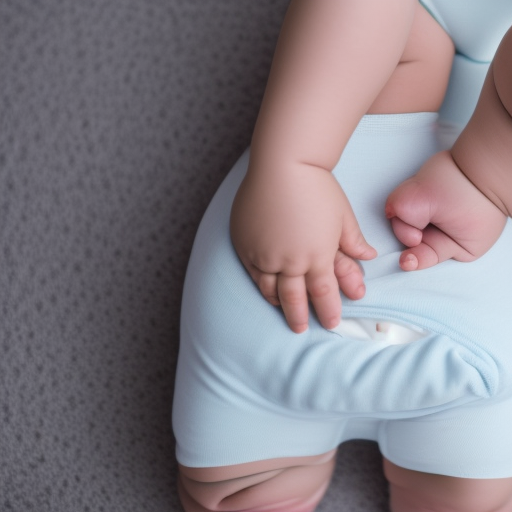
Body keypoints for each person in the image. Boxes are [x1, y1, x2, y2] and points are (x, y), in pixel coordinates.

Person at [173, 1, 512, 511]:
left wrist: (292, 166)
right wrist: (486, 180)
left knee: (241, 492)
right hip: (476, 320)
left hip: (281, 283)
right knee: (467, 494)